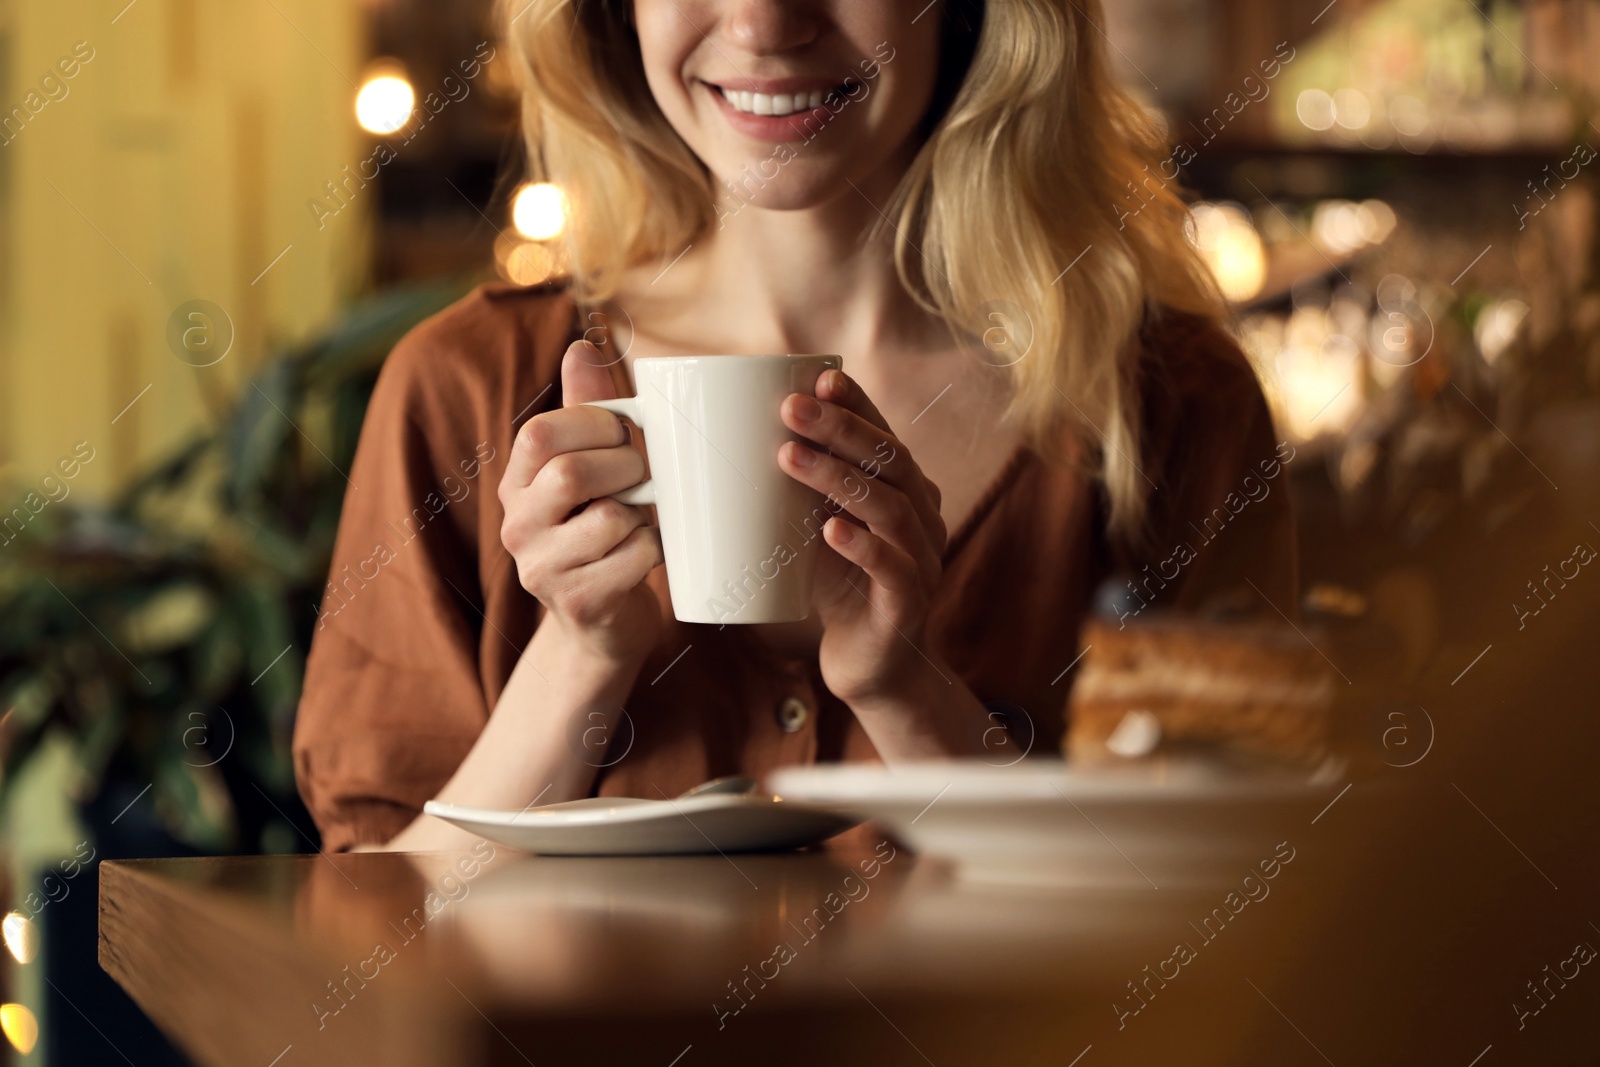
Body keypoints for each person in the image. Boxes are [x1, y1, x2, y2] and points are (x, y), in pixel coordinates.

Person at [293, 0, 1297, 852]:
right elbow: (377, 921)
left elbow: (1223, 913)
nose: (766, 24)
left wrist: (904, 687)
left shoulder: (1173, 403)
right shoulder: (460, 389)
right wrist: (580, 656)